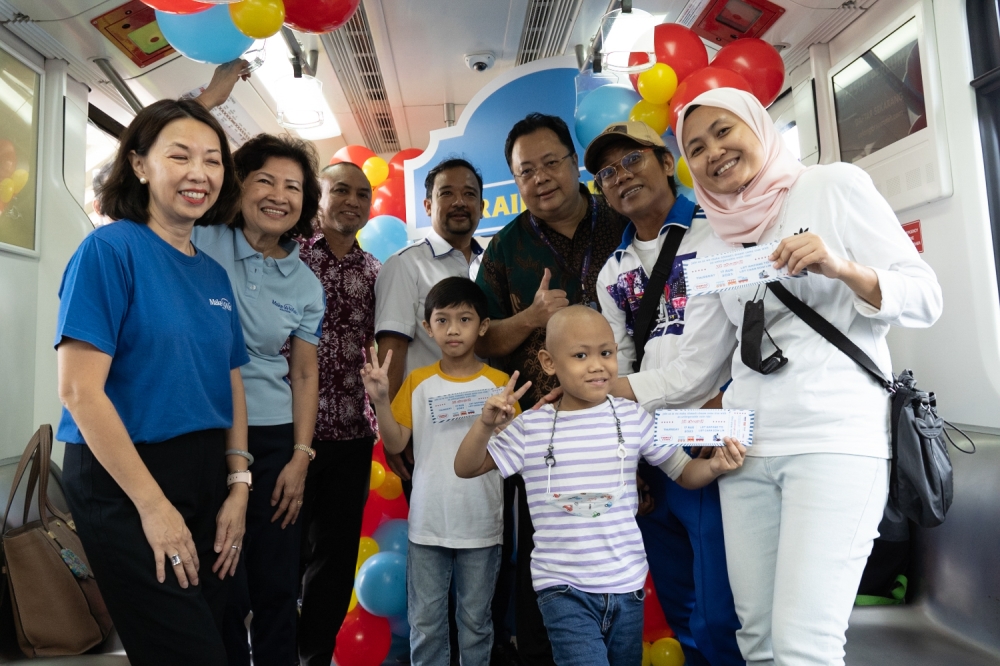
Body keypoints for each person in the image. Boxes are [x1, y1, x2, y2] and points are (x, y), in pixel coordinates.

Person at [649, 88, 940, 665]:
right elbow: (698, 365)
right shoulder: (709, 241)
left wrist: (842, 266)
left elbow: (926, 297)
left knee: (805, 644)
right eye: (696, 147)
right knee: (756, 640)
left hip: (833, 442)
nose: (714, 153)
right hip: (745, 449)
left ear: (759, 127)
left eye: (724, 132)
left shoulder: (832, 185)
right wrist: (604, 392)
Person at [55, 98, 250, 665]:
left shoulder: (212, 274)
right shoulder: (108, 251)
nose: (200, 173)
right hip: (125, 477)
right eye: (180, 156)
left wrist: (238, 484)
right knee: (184, 650)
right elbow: (78, 391)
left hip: (206, 470)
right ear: (139, 165)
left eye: (213, 160)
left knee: (221, 635)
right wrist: (152, 506)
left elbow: (230, 381)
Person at [454, 305, 747, 666]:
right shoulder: (532, 428)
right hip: (562, 587)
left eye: (606, 353)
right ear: (549, 362)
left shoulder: (633, 416)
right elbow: (465, 467)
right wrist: (484, 425)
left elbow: (684, 473)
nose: (597, 365)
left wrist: (715, 465)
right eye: (580, 355)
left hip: (627, 586)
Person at [586, 121, 743, 666]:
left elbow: (699, 368)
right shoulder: (613, 272)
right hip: (647, 446)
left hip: (708, 434)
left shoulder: (716, 235)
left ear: (667, 162)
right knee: (678, 597)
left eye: (632, 161)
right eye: (607, 173)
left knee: (722, 609)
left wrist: (603, 393)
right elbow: (617, 360)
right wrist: (624, 453)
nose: (620, 177)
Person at [475, 113, 630, 665]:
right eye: (524, 172)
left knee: (626, 545)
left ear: (573, 161)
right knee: (544, 555)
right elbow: (484, 338)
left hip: (625, 421)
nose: (539, 179)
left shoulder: (621, 216)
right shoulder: (504, 249)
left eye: (549, 163)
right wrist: (531, 318)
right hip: (544, 432)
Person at [191, 133, 325, 666]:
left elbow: (305, 373)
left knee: (275, 582)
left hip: (272, 437)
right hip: (203, 430)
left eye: (292, 186)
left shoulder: (307, 285)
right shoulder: (201, 240)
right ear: (237, 183)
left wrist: (300, 455)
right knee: (219, 578)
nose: (278, 195)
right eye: (265, 180)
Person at [362, 277, 512, 666]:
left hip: (481, 525)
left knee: (475, 623)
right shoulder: (419, 382)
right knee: (426, 623)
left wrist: (510, 423)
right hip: (427, 524)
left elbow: (516, 455)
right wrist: (380, 400)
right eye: (442, 320)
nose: (453, 329)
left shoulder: (500, 385)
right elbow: (395, 444)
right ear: (427, 328)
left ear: (483, 326)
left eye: (465, 319)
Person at [296, 161, 381, 666]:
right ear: (319, 195)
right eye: (342, 190)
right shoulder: (288, 256)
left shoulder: (375, 271)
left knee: (334, 563)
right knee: (282, 559)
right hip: (291, 433)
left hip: (352, 435)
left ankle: (315, 657)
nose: (353, 200)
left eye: (363, 194)